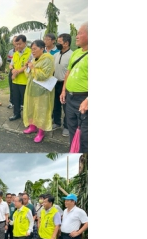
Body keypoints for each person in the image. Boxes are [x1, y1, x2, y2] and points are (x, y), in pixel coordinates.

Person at [21, 40, 56, 143]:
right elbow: (29, 75)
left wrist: (32, 68)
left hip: (43, 91)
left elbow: (44, 75)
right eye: (32, 49)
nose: (33, 51)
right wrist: (27, 67)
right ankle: (32, 127)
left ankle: (41, 132)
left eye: (35, 49)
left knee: (41, 111)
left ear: (42, 48)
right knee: (31, 108)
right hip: (32, 88)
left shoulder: (48, 58)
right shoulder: (34, 59)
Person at [62, 23, 88, 153]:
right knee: (72, 129)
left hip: (84, 100)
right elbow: (68, 72)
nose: (76, 36)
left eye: (80, 33)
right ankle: (73, 152)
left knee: (84, 135)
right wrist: (63, 90)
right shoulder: (76, 52)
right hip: (70, 98)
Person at [52, 34, 73, 131]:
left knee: (66, 106)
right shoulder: (56, 55)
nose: (57, 44)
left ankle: (66, 126)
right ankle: (57, 122)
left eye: (59, 42)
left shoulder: (72, 55)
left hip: (66, 84)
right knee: (56, 104)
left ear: (66, 43)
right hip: (55, 82)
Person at [8, 35, 31, 121]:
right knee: (16, 98)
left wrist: (17, 71)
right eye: (16, 44)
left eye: (20, 44)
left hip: (25, 81)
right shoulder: (15, 53)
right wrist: (12, 69)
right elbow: (11, 64)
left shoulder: (30, 52)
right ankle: (16, 114)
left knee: (26, 101)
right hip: (15, 81)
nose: (18, 46)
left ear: (25, 43)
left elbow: (28, 65)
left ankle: (28, 117)